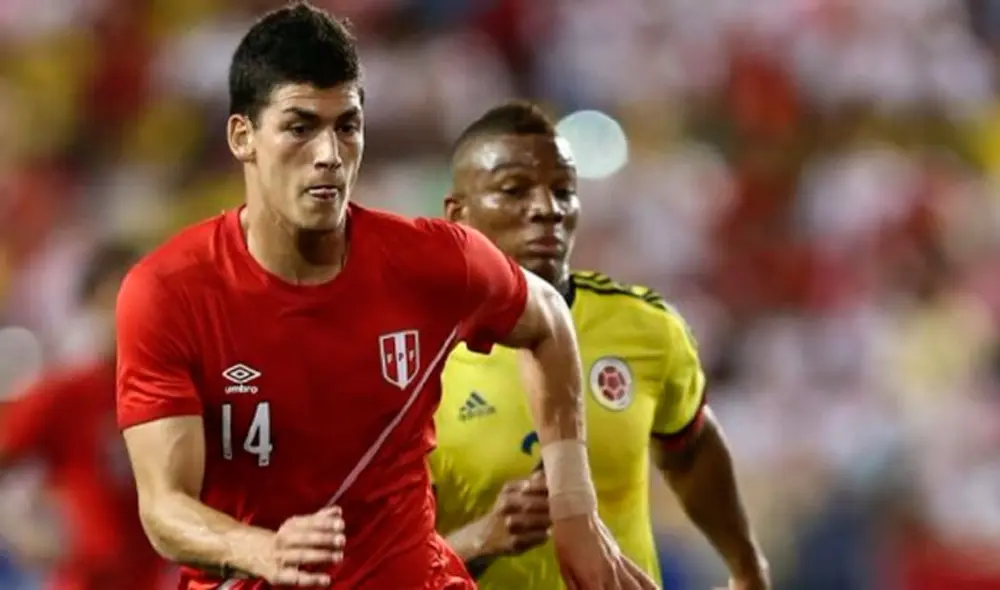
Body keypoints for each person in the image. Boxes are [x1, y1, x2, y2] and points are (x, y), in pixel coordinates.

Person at [115, 3, 655, 590]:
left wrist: (574, 509)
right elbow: (164, 507)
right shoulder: (169, 292)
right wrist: (261, 549)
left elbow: (549, 319)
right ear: (242, 137)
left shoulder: (433, 262)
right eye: (300, 127)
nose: (329, 154)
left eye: (346, 126)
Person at [429, 101, 771, 590]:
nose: (547, 208)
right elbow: (375, 564)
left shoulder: (646, 328)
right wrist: (477, 541)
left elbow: (690, 449)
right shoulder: (415, 357)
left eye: (563, 191)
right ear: (458, 214)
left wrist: (745, 566)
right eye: (514, 190)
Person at [0, 241, 172, 589]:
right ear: (92, 305)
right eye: (118, 296)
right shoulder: (66, 394)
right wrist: (21, 529)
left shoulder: (175, 391)